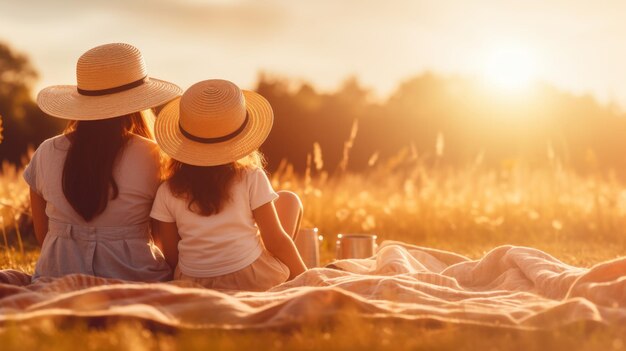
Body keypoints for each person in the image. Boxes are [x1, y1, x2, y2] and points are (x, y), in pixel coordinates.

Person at [24, 43, 182, 282]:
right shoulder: (153, 155)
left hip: (56, 276)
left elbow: (42, 234)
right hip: (135, 280)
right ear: (138, 102)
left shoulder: (46, 151)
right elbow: (163, 236)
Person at [150, 79, 307, 291]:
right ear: (241, 136)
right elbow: (275, 241)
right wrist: (307, 279)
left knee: (286, 199)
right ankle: (289, 281)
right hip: (250, 277)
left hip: (193, 282)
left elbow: (171, 255)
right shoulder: (250, 176)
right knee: (289, 201)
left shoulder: (167, 190)